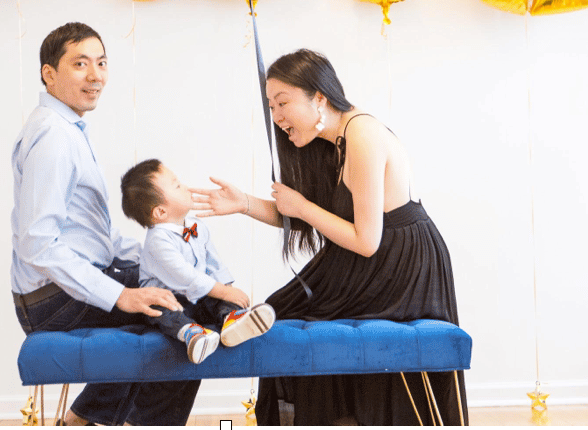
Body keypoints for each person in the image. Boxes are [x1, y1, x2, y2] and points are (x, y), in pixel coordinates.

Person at [193, 49, 469, 426]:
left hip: (399, 268)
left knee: (282, 311)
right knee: (281, 312)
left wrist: (304, 206)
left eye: (283, 103)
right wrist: (244, 203)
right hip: (371, 264)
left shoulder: (363, 133)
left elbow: (366, 239)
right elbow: (312, 218)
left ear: (318, 97)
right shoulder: (335, 142)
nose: (276, 117)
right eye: (271, 106)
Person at [11, 22, 200, 426]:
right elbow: (37, 243)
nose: (96, 75)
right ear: (49, 74)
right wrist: (120, 296)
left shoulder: (69, 130)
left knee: (174, 278)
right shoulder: (54, 138)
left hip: (63, 289)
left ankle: (81, 420)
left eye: (101, 62)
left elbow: (99, 239)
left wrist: (164, 247)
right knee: (186, 313)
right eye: (80, 64)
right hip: (53, 302)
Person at [120, 158, 276, 363]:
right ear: (160, 212)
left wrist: (226, 289)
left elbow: (213, 263)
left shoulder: (196, 225)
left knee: (222, 296)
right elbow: (185, 276)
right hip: (170, 298)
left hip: (200, 294)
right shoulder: (158, 240)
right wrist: (222, 290)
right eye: (177, 186)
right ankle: (191, 333)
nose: (185, 187)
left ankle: (232, 321)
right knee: (162, 309)